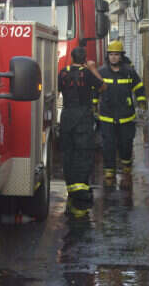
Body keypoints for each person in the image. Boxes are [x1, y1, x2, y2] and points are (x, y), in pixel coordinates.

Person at [58, 46, 106, 203]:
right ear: (85, 59)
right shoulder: (87, 73)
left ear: (71, 58)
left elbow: (58, 90)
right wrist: (92, 69)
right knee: (83, 152)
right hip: (83, 118)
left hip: (66, 117)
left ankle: (71, 187)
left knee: (68, 153)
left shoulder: (63, 73)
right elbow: (103, 86)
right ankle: (81, 189)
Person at [98, 40, 146, 189]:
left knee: (125, 143)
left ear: (121, 56)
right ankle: (109, 172)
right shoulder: (101, 72)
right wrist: (93, 105)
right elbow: (95, 90)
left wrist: (141, 101)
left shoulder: (129, 71)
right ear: (108, 56)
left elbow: (139, 87)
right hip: (107, 116)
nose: (113, 57)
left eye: (116, 54)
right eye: (111, 54)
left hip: (126, 116)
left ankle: (126, 168)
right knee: (108, 145)